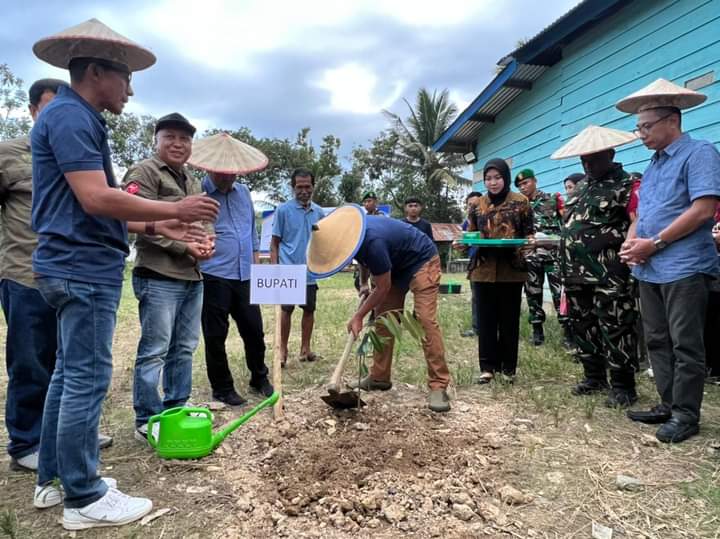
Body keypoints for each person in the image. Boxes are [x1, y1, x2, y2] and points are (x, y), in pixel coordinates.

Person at [30, 19, 219, 529]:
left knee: (68, 376)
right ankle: (85, 498)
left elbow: (110, 210)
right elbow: (96, 200)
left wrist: (174, 228)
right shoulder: (73, 118)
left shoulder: (74, 118)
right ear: (96, 71)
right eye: (125, 77)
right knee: (87, 380)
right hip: (82, 267)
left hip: (71, 263)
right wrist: (178, 212)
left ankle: (54, 478)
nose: (130, 89)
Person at [0, 78, 113, 473]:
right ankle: (27, 442)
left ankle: (68, 440)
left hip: (69, 267)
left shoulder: (77, 149)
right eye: (50, 109)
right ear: (34, 111)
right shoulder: (9, 156)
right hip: (24, 273)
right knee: (32, 363)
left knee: (68, 363)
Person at [618, 79, 720, 443]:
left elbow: (704, 209)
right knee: (657, 340)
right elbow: (643, 214)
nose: (641, 134)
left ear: (672, 121)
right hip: (650, 268)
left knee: (684, 343)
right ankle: (667, 402)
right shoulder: (653, 165)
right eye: (638, 127)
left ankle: (686, 415)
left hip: (684, 266)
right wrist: (632, 244)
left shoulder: (700, 153)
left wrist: (655, 243)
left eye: (646, 127)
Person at [122, 113, 215, 439]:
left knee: (184, 347)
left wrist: (206, 242)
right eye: (170, 137)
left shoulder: (191, 180)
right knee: (155, 349)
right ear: (156, 141)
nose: (178, 144)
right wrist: (184, 247)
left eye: (184, 139)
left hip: (191, 277)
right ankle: (147, 420)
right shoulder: (144, 172)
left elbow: (203, 220)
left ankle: (176, 408)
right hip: (158, 274)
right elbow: (131, 216)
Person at [306, 206, 451, 412]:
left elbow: (383, 287)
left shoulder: (373, 241)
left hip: (422, 260)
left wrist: (359, 316)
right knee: (383, 320)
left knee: (425, 320)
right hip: (393, 263)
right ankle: (379, 377)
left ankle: (438, 385)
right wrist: (364, 284)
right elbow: (363, 259)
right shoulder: (354, 237)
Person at [551, 125, 640, 408]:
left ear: (611, 154)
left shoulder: (627, 184)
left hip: (609, 272)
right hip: (575, 272)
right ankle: (594, 376)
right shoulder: (579, 189)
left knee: (616, 326)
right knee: (583, 325)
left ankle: (624, 385)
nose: (588, 165)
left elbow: (637, 221)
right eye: (583, 161)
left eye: (594, 159)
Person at [188, 133, 274, 405]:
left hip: (245, 273)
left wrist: (256, 261)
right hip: (213, 273)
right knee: (215, 335)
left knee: (254, 330)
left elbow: (251, 228)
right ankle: (222, 387)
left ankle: (259, 377)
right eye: (223, 173)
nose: (228, 177)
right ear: (210, 168)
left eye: (233, 172)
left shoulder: (244, 193)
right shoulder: (196, 192)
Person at [467, 159, 534, 384]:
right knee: (486, 320)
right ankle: (487, 368)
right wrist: (463, 243)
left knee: (508, 320)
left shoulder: (521, 202)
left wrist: (527, 244)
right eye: (488, 178)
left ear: (505, 177)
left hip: (511, 269)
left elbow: (529, 233)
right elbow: (472, 234)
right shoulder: (477, 204)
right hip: (483, 269)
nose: (493, 183)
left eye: (497, 177)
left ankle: (508, 369)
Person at [270, 168, 325, 366]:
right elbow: (275, 243)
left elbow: (323, 242)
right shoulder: (283, 210)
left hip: (310, 271)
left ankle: (305, 349)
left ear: (313, 186)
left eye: (307, 186)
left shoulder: (319, 212)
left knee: (309, 310)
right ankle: (283, 350)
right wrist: (275, 269)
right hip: (288, 269)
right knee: (286, 310)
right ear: (293, 187)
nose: (303, 190)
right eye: (299, 187)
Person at [514, 168, 568, 346]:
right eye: (519, 185)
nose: (523, 187)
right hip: (530, 257)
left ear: (535, 180)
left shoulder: (553, 200)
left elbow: (566, 222)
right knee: (532, 292)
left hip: (553, 255)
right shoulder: (518, 207)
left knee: (559, 292)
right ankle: (537, 331)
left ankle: (568, 332)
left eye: (526, 182)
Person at [456, 191, 483, 337]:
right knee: (476, 297)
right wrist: (460, 245)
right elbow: (464, 243)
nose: (473, 208)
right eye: (470, 205)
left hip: (492, 262)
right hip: (475, 262)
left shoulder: (491, 220)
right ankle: (477, 328)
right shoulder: (466, 223)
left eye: (476, 204)